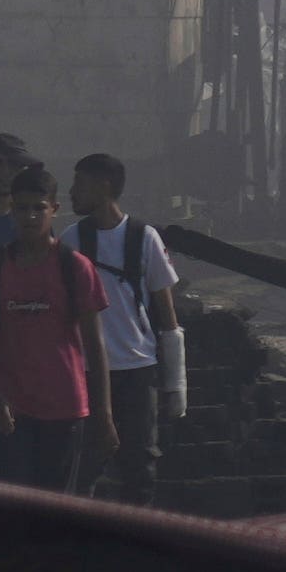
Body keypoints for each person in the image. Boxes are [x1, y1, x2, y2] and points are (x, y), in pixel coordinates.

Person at [0, 165, 105, 492]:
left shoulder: (74, 267)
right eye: (22, 208)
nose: (31, 216)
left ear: (54, 209)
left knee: (53, 508)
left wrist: (104, 416)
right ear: (11, 210)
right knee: (7, 507)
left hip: (64, 408)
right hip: (9, 412)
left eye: (39, 208)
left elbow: (94, 345)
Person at [64, 152, 182, 499]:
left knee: (139, 466)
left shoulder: (144, 238)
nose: (72, 193)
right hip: (85, 371)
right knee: (82, 465)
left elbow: (167, 313)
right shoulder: (72, 240)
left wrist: (175, 383)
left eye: (80, 185)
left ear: (104, 187)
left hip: (136, 369)